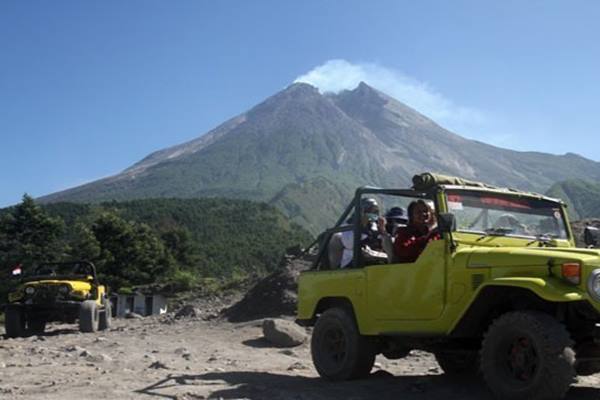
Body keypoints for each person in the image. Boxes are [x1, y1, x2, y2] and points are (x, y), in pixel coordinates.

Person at [340, 197, 388, 268]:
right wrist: (362, 226)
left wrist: (383, 230)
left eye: (375, 211)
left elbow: (385, 245)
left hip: (374, 259)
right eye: (370, 211)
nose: (373, 214)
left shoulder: (374, 226)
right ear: (362, 211)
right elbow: (349, 244)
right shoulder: (348, 225)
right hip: (352, 262)